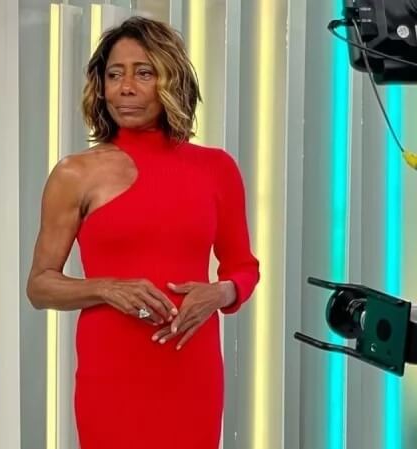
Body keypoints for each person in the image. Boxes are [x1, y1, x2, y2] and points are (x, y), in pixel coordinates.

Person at [25, 16, 260, 449]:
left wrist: (220, 293)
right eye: (115, 75)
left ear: (172, 81)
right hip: (112, 371)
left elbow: (243, 267)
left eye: (143, 73)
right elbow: (40, 286)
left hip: (191, 367)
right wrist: (106, 288)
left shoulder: (217, 168)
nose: (125, 88)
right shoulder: (75, 174)